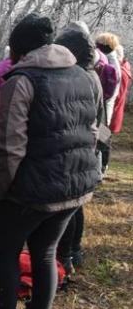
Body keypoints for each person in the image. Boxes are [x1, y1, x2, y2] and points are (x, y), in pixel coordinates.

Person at [0, 14, 100, 309]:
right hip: (73, 187)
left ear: (19, 48)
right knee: (46, 253)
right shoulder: (84, 76)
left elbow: (8, 146)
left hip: (30, 192)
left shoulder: (21, 80)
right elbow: (91, 133)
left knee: (7, 253)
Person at [54, 21, 105, 274]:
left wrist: (101, 153)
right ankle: (73, 252)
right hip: (85, 148)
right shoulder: (92, 75)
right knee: (76, 206)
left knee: (70, 208)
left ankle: (68, 255)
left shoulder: (82, 77)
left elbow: (97, 118)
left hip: (80, 149)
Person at [96, 33, 122, 174]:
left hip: (105, 105)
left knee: (103, 136)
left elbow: (110, 88)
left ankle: (102, 166)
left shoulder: (110, 61)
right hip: (105, 104)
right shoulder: (111, 59)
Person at [111, 45, 130, 134]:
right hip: (114, 114)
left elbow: (117, 97)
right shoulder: (124, 67)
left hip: (112, 116)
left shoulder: (121, 73)